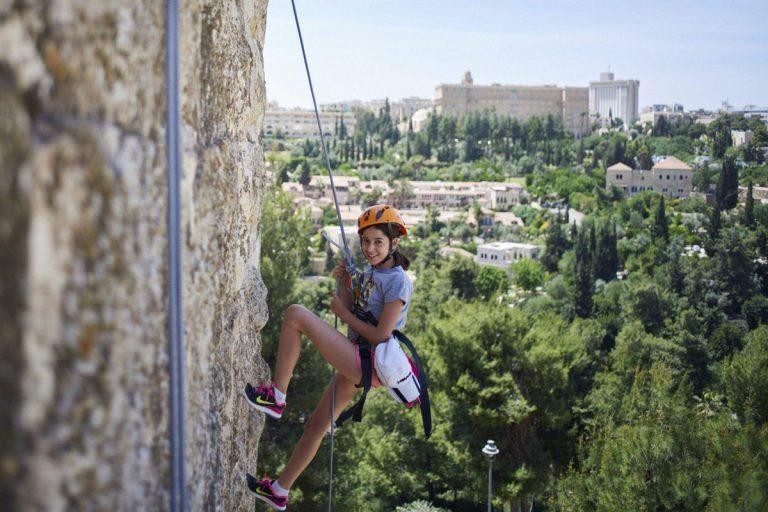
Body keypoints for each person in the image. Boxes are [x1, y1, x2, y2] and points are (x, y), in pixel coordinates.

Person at [244, 204, 413, 511]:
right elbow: (354, 308)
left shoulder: (399, 282)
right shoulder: (370, 272)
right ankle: (279, 491)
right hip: (359, 360)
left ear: (394, 243)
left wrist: (341, 312)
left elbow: (380, 334)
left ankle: (276, 396)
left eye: (378, 242)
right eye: (366, 241)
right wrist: (344, 285)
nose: (370, 248)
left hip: (368, 358)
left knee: (295, 314)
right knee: (316, 427)